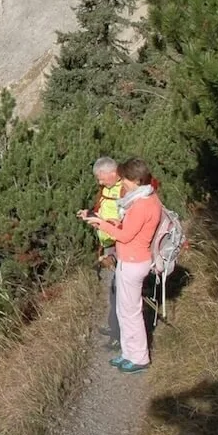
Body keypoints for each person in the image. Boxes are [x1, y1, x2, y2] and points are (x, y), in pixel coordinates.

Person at [81, 157, 162, 373]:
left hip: (133, 261)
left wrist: (100, 223)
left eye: (124, 178)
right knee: (125, 310)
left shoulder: (142, 205)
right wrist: (103, 219)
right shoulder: (145, 198)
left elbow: (125, 236)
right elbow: (127, 227)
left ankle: (139, 358)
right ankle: (129, 353)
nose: (122, 182)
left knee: (131, 313)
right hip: (132, 260)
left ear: (135, 179)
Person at [84, 157, 122, 349]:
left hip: (121, 243)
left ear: (112, 172)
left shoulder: (124, 189)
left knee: (120, 290)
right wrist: (92, 215)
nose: (99, 182)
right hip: (109, 241)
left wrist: (102, 223)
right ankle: (114, 325)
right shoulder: (108, 189)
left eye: (101, 178)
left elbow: (122, 220)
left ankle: (118, 336)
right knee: (114, 288)